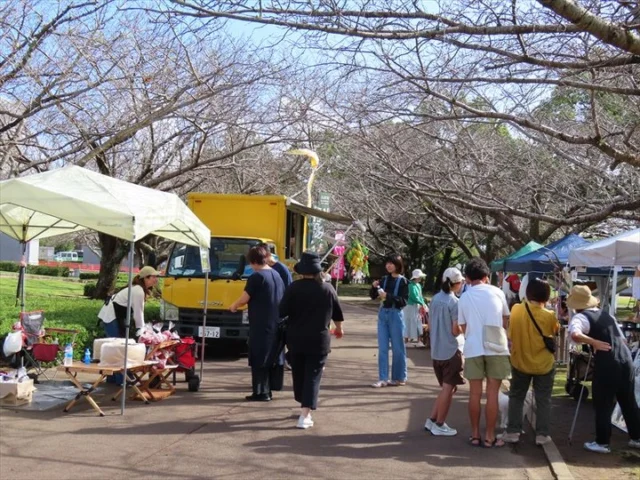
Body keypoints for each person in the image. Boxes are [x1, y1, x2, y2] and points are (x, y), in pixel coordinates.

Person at [567, 285, 640, 454]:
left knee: (602, 403)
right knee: (627, 400)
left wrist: (593, 342)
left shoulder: (581, 317)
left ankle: (603, 442)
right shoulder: (607, 315)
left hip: (608, 362)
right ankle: (637, 437)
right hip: (626, 359)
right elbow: (621, 340)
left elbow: (575, 334)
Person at [279, 252, 345, 429]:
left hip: (295, 339)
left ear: (302, 271)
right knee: (313, 376)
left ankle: (304, 404)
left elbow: (282, 311)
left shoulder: (293, 287)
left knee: (299, 374)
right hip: (319, 340)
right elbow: (337, 314)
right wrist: (338, 329)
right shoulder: (328, 289)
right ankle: (305, 413)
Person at [457, 257, 511, 448]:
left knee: (474, 393)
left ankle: (474, 435)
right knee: (493, 393)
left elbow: (462, 326)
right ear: (487, 276)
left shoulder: (464, 296)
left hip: (473, 347)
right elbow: (505, 320)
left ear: (468, 278)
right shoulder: (497, 292)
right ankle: (489, 436)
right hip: (496, 347)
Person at [502, 278, 559, 446]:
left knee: (516, 396)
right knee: (543, 399)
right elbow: (554, 332)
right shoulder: (549, 316)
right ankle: (542, 434)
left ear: (527, 292)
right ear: (547, 297)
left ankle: (513, 431)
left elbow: (510, 334)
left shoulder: (517, 309)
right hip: (544, 364)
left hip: (520, 361)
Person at [230, 245, 285, 402]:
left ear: (253, 261)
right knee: (271, 357)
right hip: (276, 323)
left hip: (261, 324)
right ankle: (269, 390)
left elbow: (244, 299)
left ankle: (261, 392)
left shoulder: (257, 277)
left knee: (259, 357)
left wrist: (233, 306)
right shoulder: (276, 275)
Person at [425, 267, 465, 437]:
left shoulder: (434, 299)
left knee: (447, 388)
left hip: (437, 351)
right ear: (457, 283)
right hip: (451, 350)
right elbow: (455, 330)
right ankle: (439, 423)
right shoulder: (454, 303)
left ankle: (433, 419)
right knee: (448, 388)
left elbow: (431, 325)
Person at [370, 254, 409, 388]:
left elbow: (403, 301)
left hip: (396, 315)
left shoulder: (403, 281)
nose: (389, 265)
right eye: (387, 263)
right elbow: (373, 296)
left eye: (392, 263)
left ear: (398, 265)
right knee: (382, 348)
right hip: (383, 314)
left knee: (398, 348)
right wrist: (374, 287)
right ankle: (383, 378)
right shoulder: (384, 280)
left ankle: (399, 377)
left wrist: (388, 296)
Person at [98, 265, 160, 338]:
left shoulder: (138, 288)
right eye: (154, 277)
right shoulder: (138, 291)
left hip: (116, 315)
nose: (156, 279)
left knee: (119, 342)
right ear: (146, 278)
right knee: (115, 343)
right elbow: (138, 313)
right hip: (111, 316)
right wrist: (141, 330)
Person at [404, 269, 428, 345]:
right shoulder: (410, 285)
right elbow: (413, 296)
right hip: (410, 306)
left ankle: (419, 340)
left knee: (418, 321)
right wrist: (422, 303)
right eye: (420, 277)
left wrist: (423, 303)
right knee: (408, 321)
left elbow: (420, 296)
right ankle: (406, 339)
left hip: (417, 306)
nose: (421, 278)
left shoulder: (418, 285)